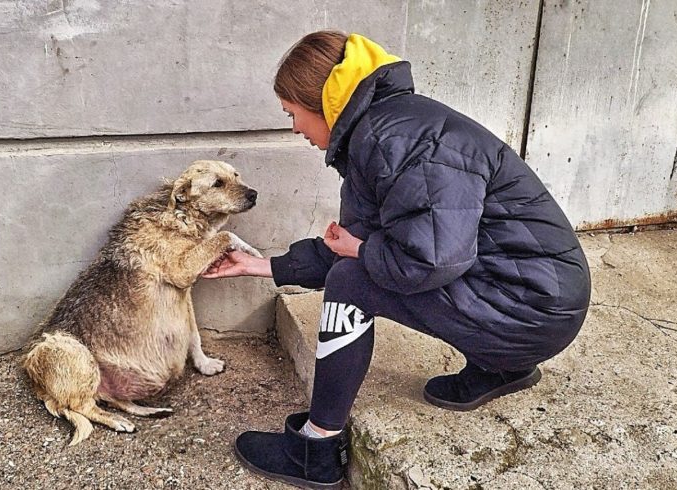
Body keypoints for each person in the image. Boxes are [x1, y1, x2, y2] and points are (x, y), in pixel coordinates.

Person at [203, 30, 590, 488]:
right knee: (354, 266)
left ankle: (317, 447)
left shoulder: (395, 141)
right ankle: (501, 366)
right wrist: (262, 266)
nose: (294, 129)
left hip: (533, 310)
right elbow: (353, 242)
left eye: (293, 114)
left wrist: (362, 251)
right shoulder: (383, 131)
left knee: (350, 281)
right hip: (536, 299)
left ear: (322, 102)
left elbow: (429, 261)